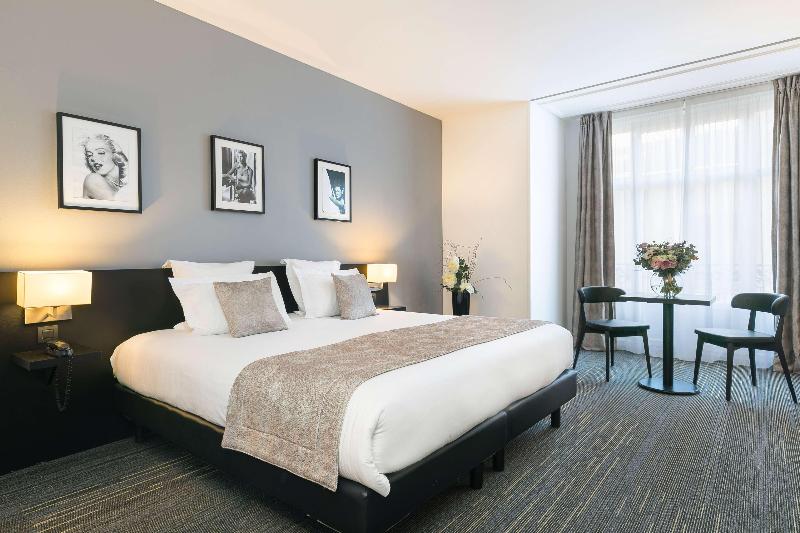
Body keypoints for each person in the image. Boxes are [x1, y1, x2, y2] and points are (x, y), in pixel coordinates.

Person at [81, 134, 129, 200]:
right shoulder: (92, 179)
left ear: (115, 155)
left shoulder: (124, 184)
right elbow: (116, 203)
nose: (93, 158)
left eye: (101, 153)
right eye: (89, 155)